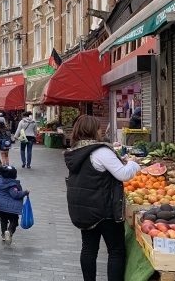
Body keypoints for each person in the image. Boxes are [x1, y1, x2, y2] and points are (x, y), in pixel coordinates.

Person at [64, 115, 140, 281]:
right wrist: (134, 163)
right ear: (93, 130)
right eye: (98, 128)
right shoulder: (100, 151)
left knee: (89, 248)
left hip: (84, 209)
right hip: (104, 209)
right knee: (116, 250)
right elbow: (123, 174)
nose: (101, 131)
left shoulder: (76, 150)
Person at [0, 165, 29, 245]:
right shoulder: (12, 185)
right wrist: (25, 192)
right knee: (14, 221)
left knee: (3, 220)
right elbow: (15, 195)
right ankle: (9, 232)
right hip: (11, 209)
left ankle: (3, 234)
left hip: (1, 207)